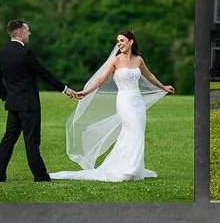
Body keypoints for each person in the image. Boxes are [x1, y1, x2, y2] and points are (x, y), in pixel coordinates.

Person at [53, 32, 171, 181]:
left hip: (137, 102)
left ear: (131, 42)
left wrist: (163, 87)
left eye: (122, 40)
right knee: (134, 130)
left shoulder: (138, 59)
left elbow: (150, 76)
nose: (119, 44)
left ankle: (132, 167)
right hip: (124, 101)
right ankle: (129, 169)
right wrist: (86, 92)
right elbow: (101, 79)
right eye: (118, 41)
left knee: (136, 133)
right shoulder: (115, 61)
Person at [0, 19, 72, 183]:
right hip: (29, 105)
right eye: (27, 31)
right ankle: (40, 176)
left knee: (8, 140)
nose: (29, 33)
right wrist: (65, 89)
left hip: (13, 105)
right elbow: (44, 73)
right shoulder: (26, 53)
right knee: (32, 142)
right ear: (20, 33)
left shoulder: (3, 53)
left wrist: (7, 96)